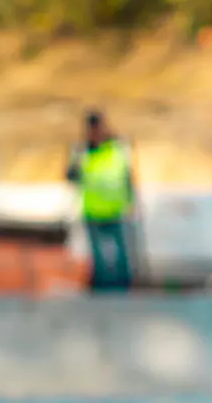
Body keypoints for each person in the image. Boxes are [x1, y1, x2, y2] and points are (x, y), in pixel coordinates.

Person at [66, 110, 137, 291]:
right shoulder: (82, 151)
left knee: (120, 252)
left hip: (115, 208)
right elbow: (70, 176)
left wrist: (131, 200)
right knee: (97, 254)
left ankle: (123, 285)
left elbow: (128, 175)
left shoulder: (117, 148)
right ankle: (101, 286)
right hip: (93, 209)